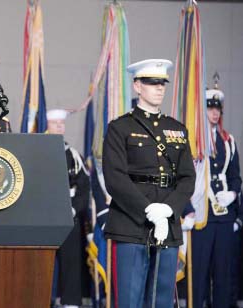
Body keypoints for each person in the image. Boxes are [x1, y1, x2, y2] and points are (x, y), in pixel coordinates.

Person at [102, 59, 196, 307]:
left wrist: (168, 209)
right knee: (131, 297)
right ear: (137, 86)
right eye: (152, 82)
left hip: (168, 219)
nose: (159, 88)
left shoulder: (177, 129)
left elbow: (188, 176)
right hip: (132, 222)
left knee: (162, 297)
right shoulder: (120, 127)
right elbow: (115, 177)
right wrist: (147, 210)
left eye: (162, 83)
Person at [190, 87, 242, 308]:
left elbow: (235, 176)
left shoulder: (228, 141)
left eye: (217, 109)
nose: (214, 113)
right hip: (202, 214)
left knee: (223, 274)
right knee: (199, 274)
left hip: (223, 216)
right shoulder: (193, 139)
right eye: (210, 108)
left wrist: (232, 194)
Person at [47, 109, 90, 308]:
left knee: (71, 260)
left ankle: (70, 302)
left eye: (61, 124)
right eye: (55, 123)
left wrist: (74, 210)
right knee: (42, 261)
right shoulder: (37, 151)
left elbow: (83, 187)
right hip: (44, 216)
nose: (59, 127)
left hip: (69, 213)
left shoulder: (72, 154)